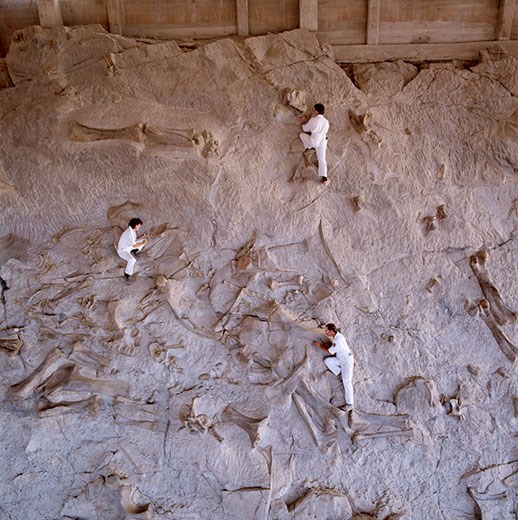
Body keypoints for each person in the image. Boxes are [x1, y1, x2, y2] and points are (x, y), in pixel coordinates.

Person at [313, 323, 354, 410]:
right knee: (328, 361)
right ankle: (340, 373)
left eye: (327, 330)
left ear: (332, 331)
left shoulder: (337, 340)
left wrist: (320, 346)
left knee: (347, 382)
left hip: (347, 361)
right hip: (340, 359)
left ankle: (349, 404)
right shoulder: (337, 337)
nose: (325, 332)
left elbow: (330, 352)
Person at [299, 103, 329, 183]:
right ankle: (324, 177)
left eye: (314, 109)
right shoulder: (326, 122)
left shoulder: (314, 120)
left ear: (316, 112)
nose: (313, 111)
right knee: (322, 158)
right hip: (323, 141)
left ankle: (309, 147)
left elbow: (305, 129)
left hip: (314, 141)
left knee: (301, 135)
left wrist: (303, 122)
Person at [117, 218, 148, 285]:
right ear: (135, 225)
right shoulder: (129, 233)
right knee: (132, 260)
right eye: (139, 225)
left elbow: (134, 240)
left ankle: (134, 252)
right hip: (123, 251)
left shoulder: (132, 231)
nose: (139, 227)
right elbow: (134, 244)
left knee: (144, 240)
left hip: (129, 248)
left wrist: (142, 237)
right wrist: (143, 243)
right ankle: (127, 274)